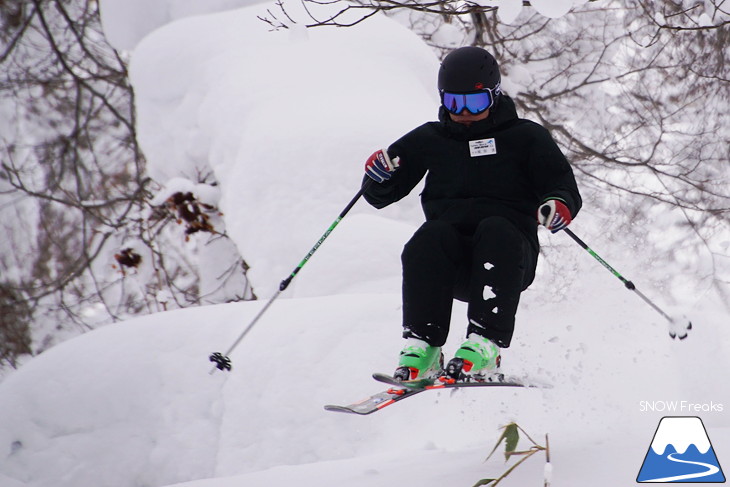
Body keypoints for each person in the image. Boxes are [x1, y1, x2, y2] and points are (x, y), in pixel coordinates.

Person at [362, 46, 582, 382]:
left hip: (507, 260)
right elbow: (381, 193)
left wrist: (558, 204)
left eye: (474, 103)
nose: (463, 112)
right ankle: (423, 348)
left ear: (494, 97)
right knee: (428, 237)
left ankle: (484, 345)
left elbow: (562, 185)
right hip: (451, 266)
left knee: (496, 228)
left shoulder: (525, 137)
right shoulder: (430, 139)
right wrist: (378, 176)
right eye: (454, 103)